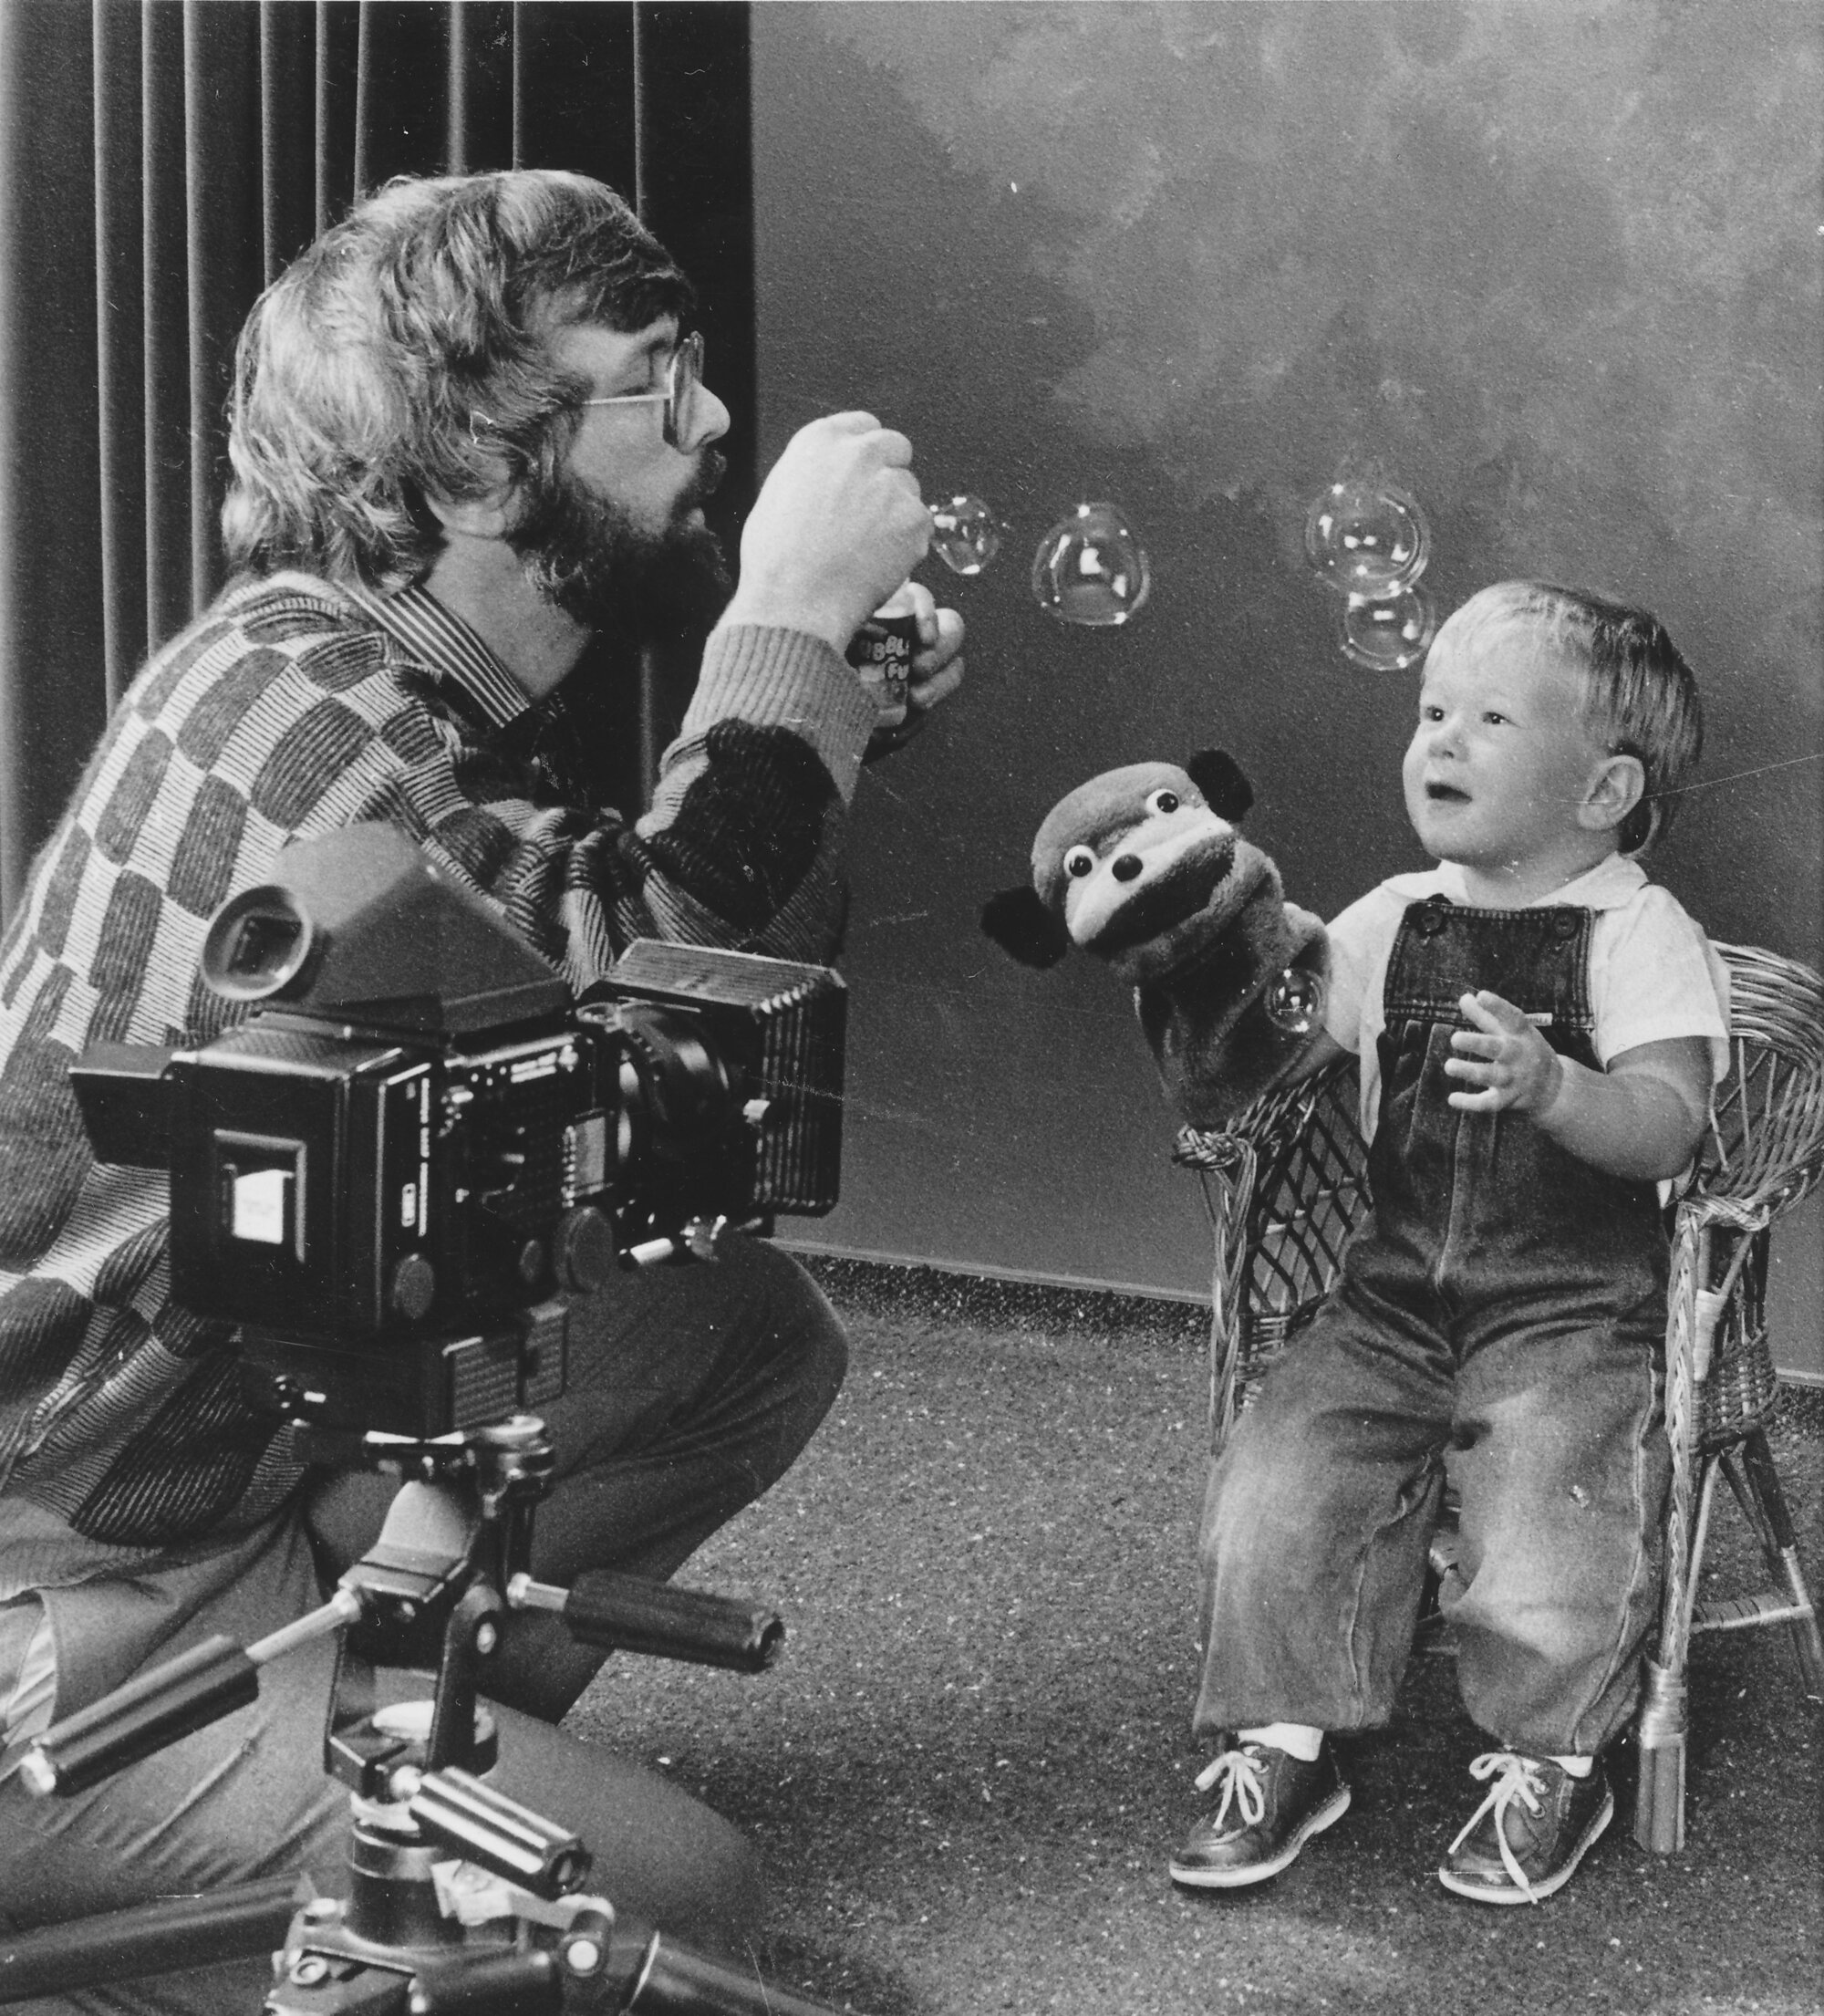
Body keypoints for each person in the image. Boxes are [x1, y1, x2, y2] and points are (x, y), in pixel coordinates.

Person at [0, 168, 963, 2004]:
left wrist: (827, 688)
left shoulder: (306, 662)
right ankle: (173, 1916)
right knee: (677, 1904)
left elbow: (673, 1043)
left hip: (189, 1490)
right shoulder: (307, 733)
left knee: (730, 1333)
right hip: (54, 1605)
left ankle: (373, 1748)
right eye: (650, 382)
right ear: (468, 455)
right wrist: (784, 611)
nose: (710, 424)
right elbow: (638, 1000)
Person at [1169, 581, 1727, 1906]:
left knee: (1546, 1510)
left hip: (1567, 1304)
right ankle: (1287, 1734)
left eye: (1488, 716)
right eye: (1430, 712)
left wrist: (1554, 1087)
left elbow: (1670, 1126)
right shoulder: (1391, 915)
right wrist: (1204, 976)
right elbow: (1286, 1037)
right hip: (1396, 1294)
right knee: (1283, 1474)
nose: (1441, 741)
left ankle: (1549, 1752)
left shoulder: (1638, 934)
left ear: (1601, 792)